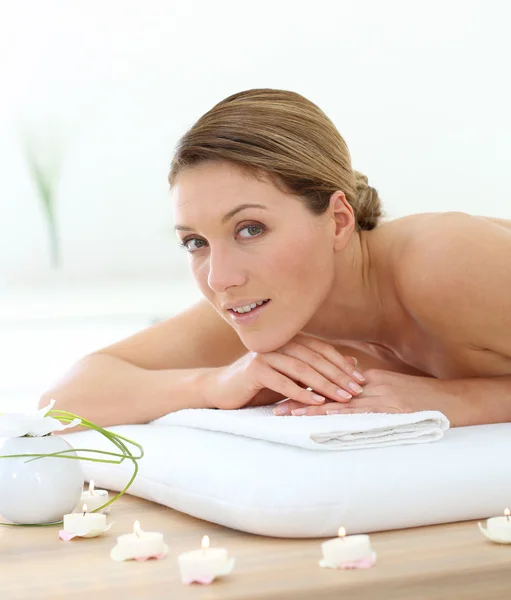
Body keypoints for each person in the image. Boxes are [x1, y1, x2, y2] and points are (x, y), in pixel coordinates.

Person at [40, 88, 511, 428]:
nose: (220, 278)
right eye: (195, 242)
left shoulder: (442, 262)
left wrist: (456, 401)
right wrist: (216, 385)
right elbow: (62, 401)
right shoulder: (259, 309)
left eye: (251, 229)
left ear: (339, 221)